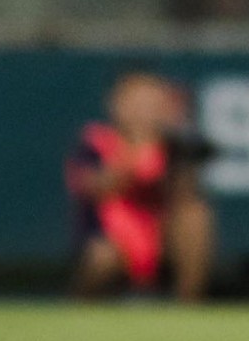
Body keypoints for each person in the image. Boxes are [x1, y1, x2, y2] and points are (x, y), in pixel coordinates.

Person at [66, 71, 216, 303]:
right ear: (116, 104)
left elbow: (186, 192)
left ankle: (190, 305)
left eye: (150, 102)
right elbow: (93, 186)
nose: (143, 111)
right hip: (114, 239)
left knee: (196, 216)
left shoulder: (173, 145)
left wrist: (173, 143)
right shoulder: (97, 141)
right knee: (101, 255)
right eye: (136, 102)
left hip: (160, 239)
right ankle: (81, 305)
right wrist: (136, 154)